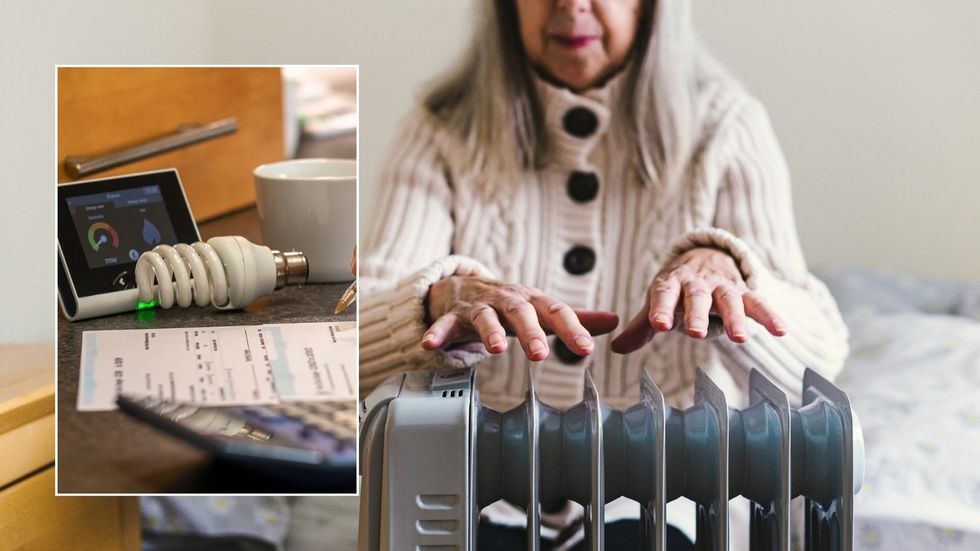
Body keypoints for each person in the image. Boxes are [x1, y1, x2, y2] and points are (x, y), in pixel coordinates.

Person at [360, 0, 849, 548]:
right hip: (470, 502)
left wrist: (731, 272)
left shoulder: (727, 128)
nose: (572, 7)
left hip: (674, 507)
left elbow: (819, 362)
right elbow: (343, 354)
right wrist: (431, 302)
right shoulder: (438, 130)